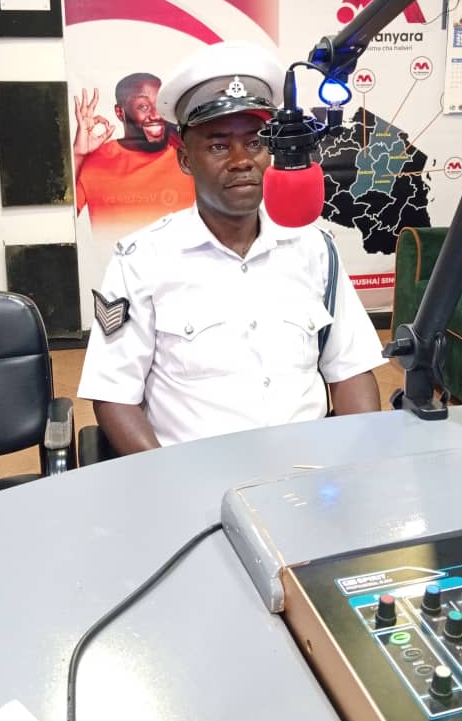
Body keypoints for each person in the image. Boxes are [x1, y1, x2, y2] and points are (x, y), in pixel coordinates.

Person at [78, 41, 384, 455]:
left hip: (309, 474)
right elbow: (114, 396)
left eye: (255, 143)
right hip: (195, 479)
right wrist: (168, 481)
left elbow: (351, 370)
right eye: (219, 146)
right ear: (185, 159)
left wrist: (358, 463)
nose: (242, 161)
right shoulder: (142, 260)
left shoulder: (314, 248)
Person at [73, 72, 195, 232]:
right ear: (120, 113)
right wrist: (78, 155)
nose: (156, 115)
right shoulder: (95, 161)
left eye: (160, 105)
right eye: (143, 106)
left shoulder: (187, 155)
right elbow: (56, 222)